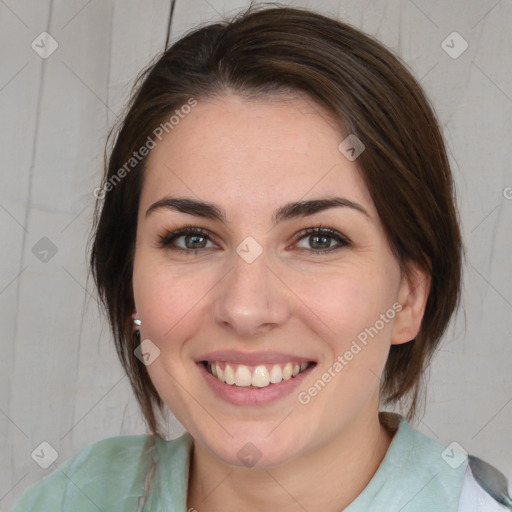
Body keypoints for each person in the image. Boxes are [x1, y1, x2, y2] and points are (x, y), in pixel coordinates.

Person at [11, 4, 511, 511]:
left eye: (319, 239)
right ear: (129, 284)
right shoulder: (75, 495)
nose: (246, 309)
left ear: (408, 296)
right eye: (192, 239)